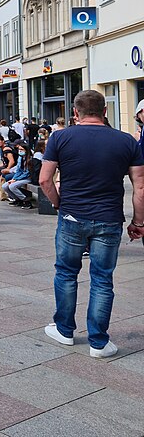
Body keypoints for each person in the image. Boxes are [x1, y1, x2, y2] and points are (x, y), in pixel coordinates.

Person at [41, 89, 144, 358]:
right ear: (105, 112)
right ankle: (98, 342)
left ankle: (64, 330)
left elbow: (44, 180)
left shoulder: (60, 137)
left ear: (76, 112)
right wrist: (139, 222)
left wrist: (58, 204)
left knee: (65, 273)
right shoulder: (126, 141)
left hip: (72, 216)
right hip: (109, 219)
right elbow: (140, 187)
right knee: (102, 279)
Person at [3, 140, 34, 207]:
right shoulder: (20, 158)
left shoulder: (30, 160)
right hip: (20, 177)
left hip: (27, 178)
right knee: (5, 186)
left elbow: (27, 173)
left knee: (12, 186)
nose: (20, 151)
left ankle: (25, 200)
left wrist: (16, 179)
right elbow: (18, 170)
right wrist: (14, 178)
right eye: (19, 149)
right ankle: (17, 199)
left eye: (22, 149)